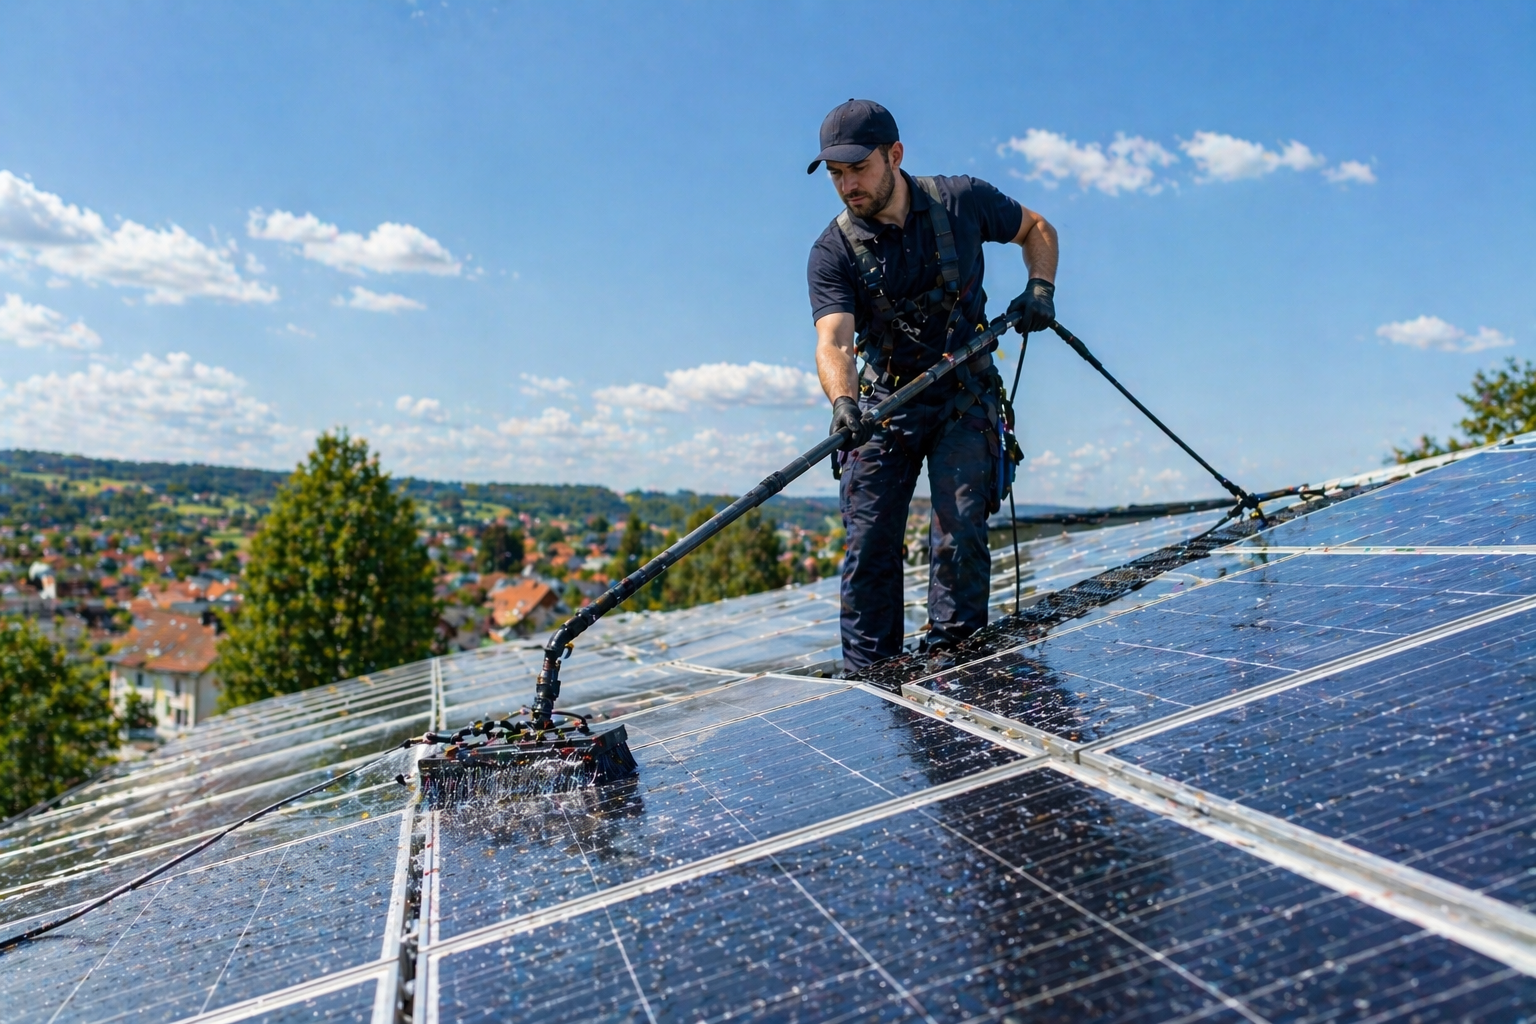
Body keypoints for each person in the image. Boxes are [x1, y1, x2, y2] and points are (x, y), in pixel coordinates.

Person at [806, 99, 1059, 673]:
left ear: (895, 155)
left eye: (858, 168)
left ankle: (958, 670)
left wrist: (1039, 288)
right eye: (836, 174)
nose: (848, 185)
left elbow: (1037, 229)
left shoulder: (963, 200)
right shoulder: (833, 251)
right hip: (884, 405)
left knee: (957, 533)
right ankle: (873, 685)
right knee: (868, 545)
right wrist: (844, 402)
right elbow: (834, 342)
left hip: (963, 395)